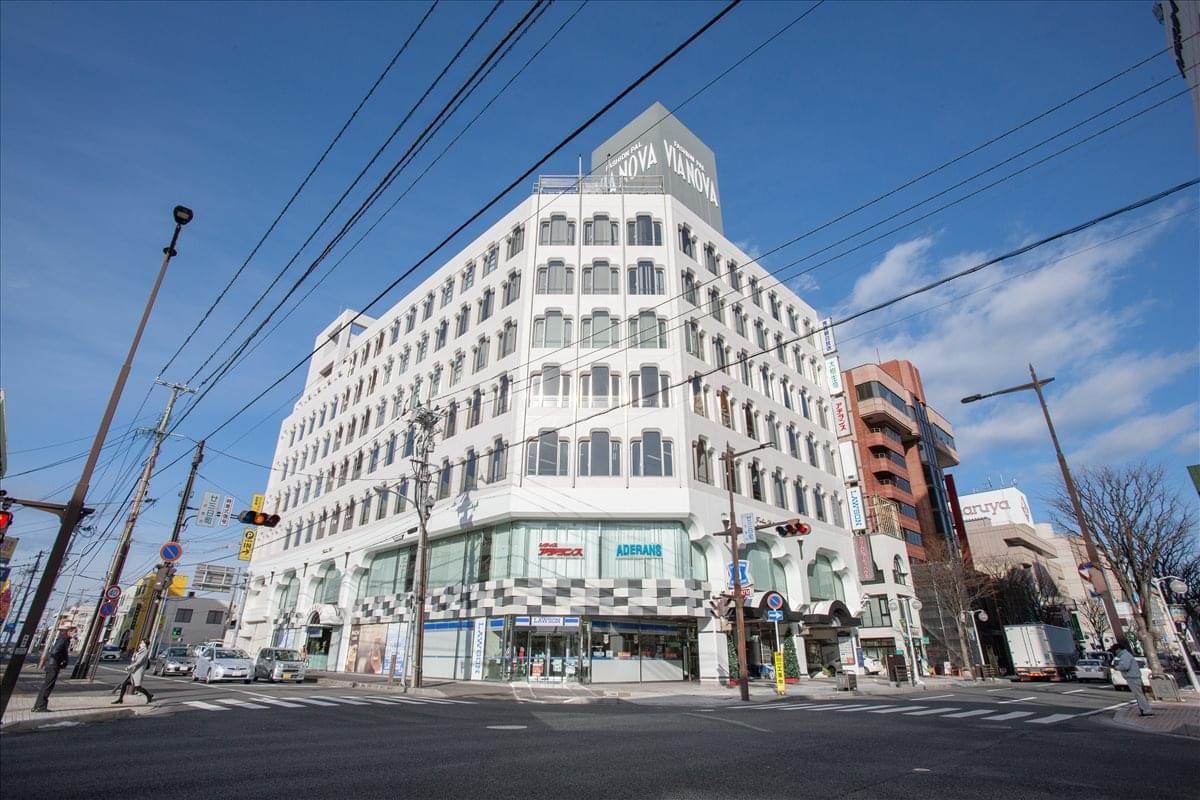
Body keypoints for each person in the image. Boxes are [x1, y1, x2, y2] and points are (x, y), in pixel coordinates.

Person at [32, 626, 76, 712]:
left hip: (52, 664)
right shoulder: (63, 639)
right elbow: (55, 651)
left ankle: (38, 706)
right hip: (53, 665)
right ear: (69, 632)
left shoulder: (63, 639)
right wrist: (62, 660)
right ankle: (40, 706)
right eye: (74, 632)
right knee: (48, 686)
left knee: (46, 685)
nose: (75, 634)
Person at [1111, 642, 1152, 717]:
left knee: (1139, 695)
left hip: (1133, 677)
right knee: (1139, 695)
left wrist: (1116, 667)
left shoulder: (1125, 656)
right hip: (1133, 677)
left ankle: (1146, 710)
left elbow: (1125, 666)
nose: (1114, 652)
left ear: (1119, 649)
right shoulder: (1125, 655)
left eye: (1115, 650)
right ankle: (1144, 709)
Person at [113, 639, 154, 705]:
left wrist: (130, 666)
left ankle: (148, 695)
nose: (141, 643)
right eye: (141, 642)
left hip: (137, 672)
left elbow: (139, 662)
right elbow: (136, 659)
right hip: (133, 672)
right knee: (124, 684)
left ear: (145, 644)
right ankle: (120, 699)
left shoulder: (145, 651)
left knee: (137, 688)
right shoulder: (140, 650)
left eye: (142, 642)